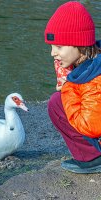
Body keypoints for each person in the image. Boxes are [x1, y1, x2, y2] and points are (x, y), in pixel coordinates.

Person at [44, 1, 101, 173]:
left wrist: (68, 86)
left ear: (80, 44)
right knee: (58, 102)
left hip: (92, 126)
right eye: (52, 47)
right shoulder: (88, 65)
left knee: (56, 103)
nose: (53, 53)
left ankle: (93, 158)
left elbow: (89, 126)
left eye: (59, 46)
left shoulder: (96, 78)